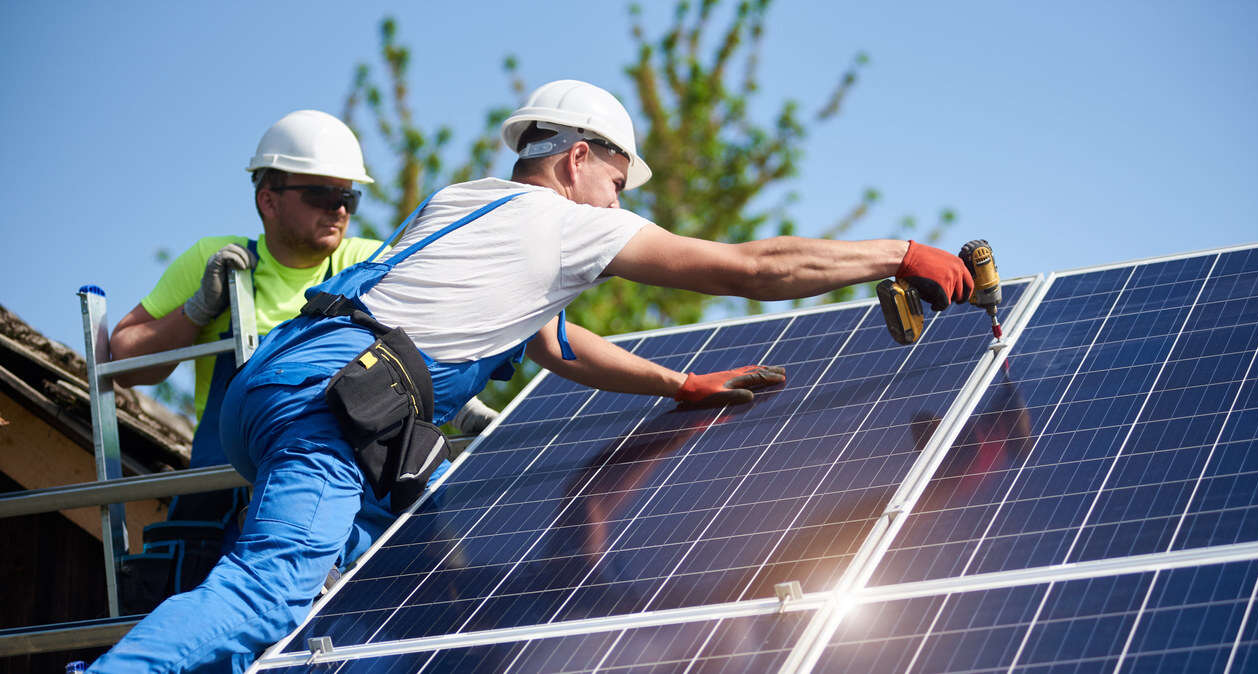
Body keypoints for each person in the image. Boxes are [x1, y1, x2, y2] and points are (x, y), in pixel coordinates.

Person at [90, 79, 973, 672]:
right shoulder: (563, 222)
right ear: (577, 158)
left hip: (287, 389)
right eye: (618, 184)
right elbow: (747, 265)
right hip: (332, 407)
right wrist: (897, 252)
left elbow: (556, 344)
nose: (619, 206)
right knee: (267, 587)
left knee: (371, 610)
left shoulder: (464, 202)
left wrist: (677, 385)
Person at [106, 109, 498, 612]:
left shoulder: (369, 262)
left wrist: (457, 403)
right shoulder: (217, 261)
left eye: (348, 197)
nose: (338, 208)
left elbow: (423, 352)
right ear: (267, 199)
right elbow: (124, 360)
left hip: (335, 486)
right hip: (229, 491)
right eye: (320, 194)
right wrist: (199, 309)